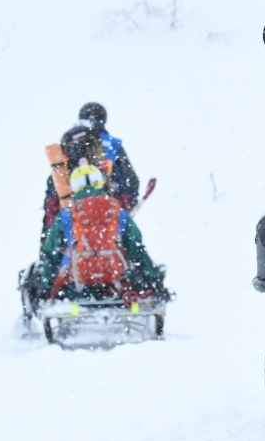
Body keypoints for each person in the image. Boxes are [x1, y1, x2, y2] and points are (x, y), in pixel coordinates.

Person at [31, 124, 165, 302]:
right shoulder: (116, 210)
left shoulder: (67, 213)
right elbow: (137, 249)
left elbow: (51, 253)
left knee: (65, 270)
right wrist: (155, 282)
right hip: (114, 276)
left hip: (78, 279)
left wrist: (45, 289)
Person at [41, 102, 140, 238]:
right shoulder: (113, 144)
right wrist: (128, 209)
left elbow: (52, 194)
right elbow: (131, 181)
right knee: (130, 247)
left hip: (72, 212)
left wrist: (47, 235)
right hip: (109, 208)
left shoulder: (68, 145)